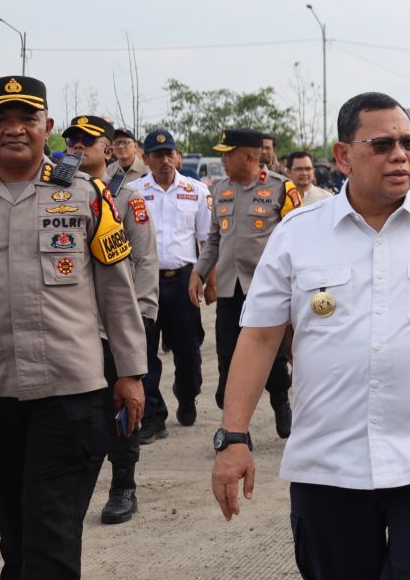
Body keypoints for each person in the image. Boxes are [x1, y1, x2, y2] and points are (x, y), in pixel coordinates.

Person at [211, 92, 410, 580]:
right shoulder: (297, 234)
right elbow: (260, 337)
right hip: (329, 465)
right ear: (343, 155)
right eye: (383, 144)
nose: (401, 154)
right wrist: (235, 437)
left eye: (408, 143)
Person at [0, 75, 146, 579]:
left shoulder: (87, 197)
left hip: (70, 397)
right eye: (2, 119)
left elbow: (117, 292)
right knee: (17, 540)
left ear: (46, 127)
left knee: (49, 543)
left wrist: (131, 374)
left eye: (27, 119)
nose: (15, 129)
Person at [64, 115, 160, 524]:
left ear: (108, 150)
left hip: (118, 323)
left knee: (122, 408)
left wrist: (140, 317)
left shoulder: (127, 199)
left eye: (88, 142)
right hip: (73, 327)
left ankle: (124, 484)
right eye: (72, 141)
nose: (78, 148)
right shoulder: (57, 195)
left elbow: (144, 259)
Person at [189, 129, 300, 438]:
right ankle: (236, 428)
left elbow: (298, 239)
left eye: (228, 153)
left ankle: (280, 400)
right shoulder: (222, 189)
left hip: (265, 290)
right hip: (229, 290)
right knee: (227, 357)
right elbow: (213, 240)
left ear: (249, 156)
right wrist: (198, 272)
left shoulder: (280, 188)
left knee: (274, 360)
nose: (223, 160)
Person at [129, 129, 211, 433]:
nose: (165, 160)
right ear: (146, 158)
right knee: (145, 350)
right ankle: (153, 416)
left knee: (188, 350)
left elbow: (206, 239)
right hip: (145, 281)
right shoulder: (133, 192)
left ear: (177, 155)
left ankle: (187, 395)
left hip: (184, 280)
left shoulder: (197, 190)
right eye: (157, 155)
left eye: (169, 153)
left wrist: (205, 277)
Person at [108, 127, 147, 192]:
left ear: (135, 146)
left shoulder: (147, 169)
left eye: (125, 142)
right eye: (117, 143)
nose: (120, 146)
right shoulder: (109, 170)